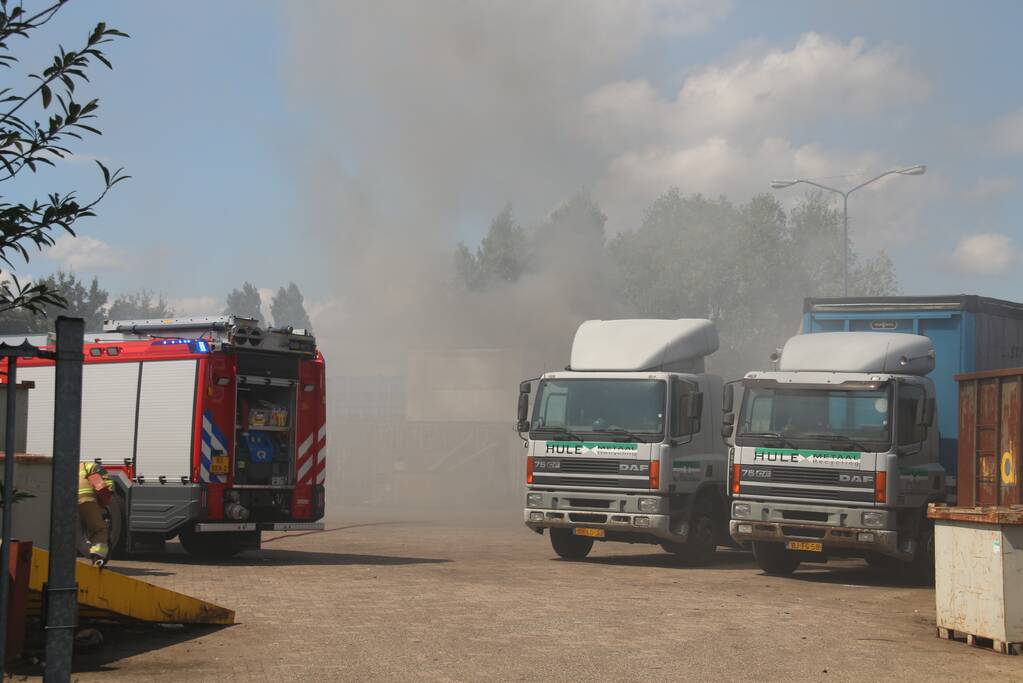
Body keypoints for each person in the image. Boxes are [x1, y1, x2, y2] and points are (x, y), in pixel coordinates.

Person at [78, 461, 114, 566]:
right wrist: (105, 501)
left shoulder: (74, 468)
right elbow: (100, 486)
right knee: (99, 529)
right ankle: (98, 559)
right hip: (86, 500)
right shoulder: (92, 470)